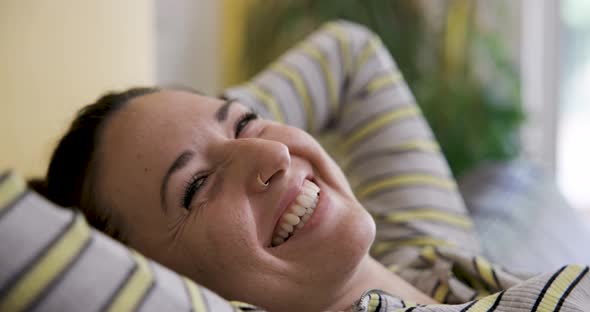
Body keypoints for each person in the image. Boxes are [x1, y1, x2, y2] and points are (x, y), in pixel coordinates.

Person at [34, 21, 590, 311]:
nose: (274, 154)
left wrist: (210, 133)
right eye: (195, 187)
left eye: (248, 121)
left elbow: (351, 56)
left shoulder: (426, 255)